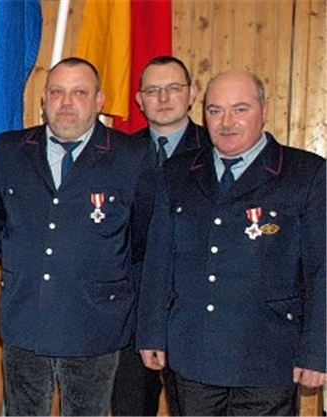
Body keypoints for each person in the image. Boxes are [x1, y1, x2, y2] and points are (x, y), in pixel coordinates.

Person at [0, 57, 167, 415]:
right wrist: (27, 264)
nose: (66, 103)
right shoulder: (11, 149)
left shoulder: (131, 155)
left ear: (99, 100)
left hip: (95, 321)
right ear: (43, 99)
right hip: (26, 316)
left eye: (79, 93)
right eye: (57, 92)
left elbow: (144, 236)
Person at [137, 70, 325, 416]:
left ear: (264, 111)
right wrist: (151, 331)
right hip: (194, 353)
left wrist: (317, 350)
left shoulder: (306, 174)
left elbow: (322, 269)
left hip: (267, 356)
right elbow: (159, 259)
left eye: (240, 110)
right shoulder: (178, 173)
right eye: (215, 110)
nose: (226, 122)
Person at [112, 55, 209, 416]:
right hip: (131, 311)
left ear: (192, 93)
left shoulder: (217, 149)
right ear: (139, 100)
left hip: (193, 310)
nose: (164, 98)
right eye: (153, 90)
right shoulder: (120, 154)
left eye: (173, 88)